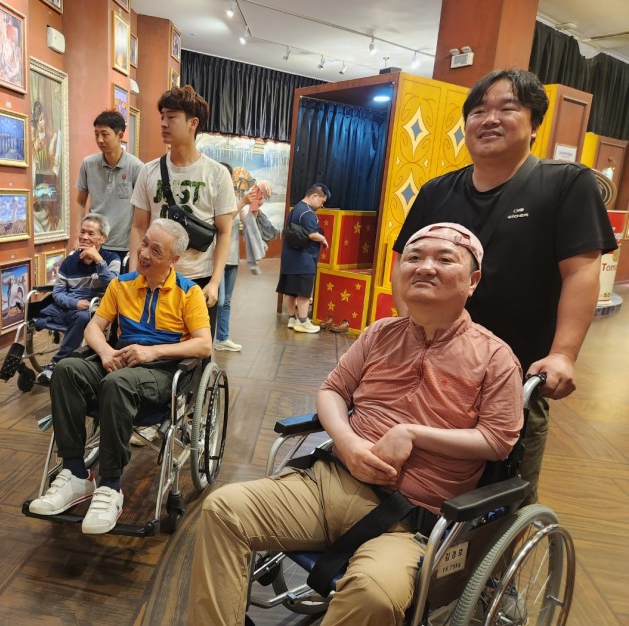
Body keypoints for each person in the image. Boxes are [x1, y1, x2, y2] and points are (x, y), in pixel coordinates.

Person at [189, 223, 523, 625]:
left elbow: (498, 440)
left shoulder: (496, 358)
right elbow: (332, 391)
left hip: (411, 520)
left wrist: (411, 433)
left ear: (473, 281)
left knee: (374, 594)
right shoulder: (380, 333)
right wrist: (346, 442)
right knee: (224, 510)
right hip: (331, 482)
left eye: (444, 259)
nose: (424, 267)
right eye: (414, 257)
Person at [392, 69, 616, 505]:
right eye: (478, 111)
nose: (489, 119)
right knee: (419, 481)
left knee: (503, 498)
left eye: (507, 108)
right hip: (434, 370)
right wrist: (410, 329)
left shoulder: (566, 183)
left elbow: (581, 271)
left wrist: (563, 354)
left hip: (515, 375)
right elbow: (404, 260)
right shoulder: (438, 191)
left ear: (535, 125)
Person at [28, 219, 212, 534]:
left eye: (156, 250)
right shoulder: (121, 284)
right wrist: (104, 353)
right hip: (119, 360)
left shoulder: (188, 292)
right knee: (66, 369)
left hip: (161, 372)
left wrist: (152, 352)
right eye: (145, 243)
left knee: (116, 383)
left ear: (174, 259)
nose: (144, 253)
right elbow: (93, 328)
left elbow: (204, 344)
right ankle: (75, 474)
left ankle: (111, 486)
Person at [129, 85, 236, 338]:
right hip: (154, 276)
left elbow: (225, 232)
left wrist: (215, 282)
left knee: (195, 350)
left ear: (192, 123)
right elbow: (138, 226)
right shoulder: (148, 171)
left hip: (197, 279)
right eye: (162, 117)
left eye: (172, 117)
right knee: (149, 344)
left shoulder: (217, 174)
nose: (164, 123)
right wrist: (135, 272)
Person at [33, 214, 120, 384]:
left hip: (91, 309)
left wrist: (98, 261)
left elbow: (113, 287)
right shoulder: (69, 261)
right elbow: (58, 292)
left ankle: (56, 363)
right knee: (36, 311)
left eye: (91, 233)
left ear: (103, 238)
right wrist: (75, 303)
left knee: (82, 317)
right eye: (82, 232)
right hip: (67, 307)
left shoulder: (112, 259)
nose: (84, 237)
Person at [72, 111, 144, 257]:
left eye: (105, 134)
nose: (99, 140)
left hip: (123, 245)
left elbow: (141, 211)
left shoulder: (136, 167)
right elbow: (80, 202)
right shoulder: (88, 164)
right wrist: (77, 236)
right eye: (96, 134)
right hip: (93, 243)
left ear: (120, 135)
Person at [213, 163, 259, 352]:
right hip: (217, 256)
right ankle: (206, 338)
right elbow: (223, 220)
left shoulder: (235, 197)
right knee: (218, 300)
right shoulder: (213, 196)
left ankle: (222, 338)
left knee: (226, 300)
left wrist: (254, 205)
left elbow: (246, 220)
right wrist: (243, 202)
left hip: (232, 256)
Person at [277, 183, 330, 333]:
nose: (321, 206)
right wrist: (323, 239)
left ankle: (292, 318)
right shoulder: (308, 213)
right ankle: (303, 322)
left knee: (290, 291)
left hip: (289, 258)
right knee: (303, 292)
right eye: (322, 202)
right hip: (303, 259)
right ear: (314, 196)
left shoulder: (295, 210)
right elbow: (312, 234)